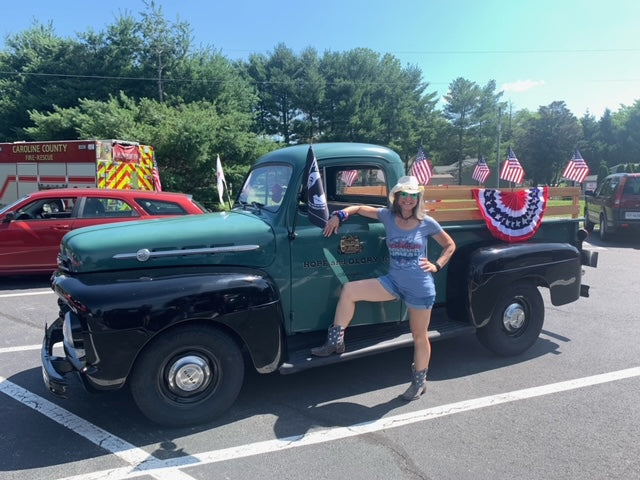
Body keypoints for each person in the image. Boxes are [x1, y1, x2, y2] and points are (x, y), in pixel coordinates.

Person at [311, 175, 456, 401]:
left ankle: (419, 383)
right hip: (393, 282)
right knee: (349, 290)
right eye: (404, 195)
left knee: (419, 335)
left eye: (413, 196)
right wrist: (339, 215)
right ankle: (335, 342)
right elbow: (359, 208)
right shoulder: (387, 216)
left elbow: (449, 245)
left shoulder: (426, 222)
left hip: (420, 287)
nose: (408, 200)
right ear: (397, 197)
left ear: (418, 198)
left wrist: (436, 265)